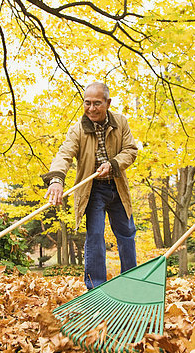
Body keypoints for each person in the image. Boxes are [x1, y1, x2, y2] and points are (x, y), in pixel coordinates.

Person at [42, 82, 138, 290]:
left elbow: (131, 150)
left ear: (108, 103)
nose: (92, 108)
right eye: (87, 103)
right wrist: (57, 180)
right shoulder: (77, 130)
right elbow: (64, 154)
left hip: (117, 187)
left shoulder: (120, 123)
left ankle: (130, 282)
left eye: (97, 103)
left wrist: (113, 165)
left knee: (127, 233)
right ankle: (96, 288)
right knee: (95, 236)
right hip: (93, 191)